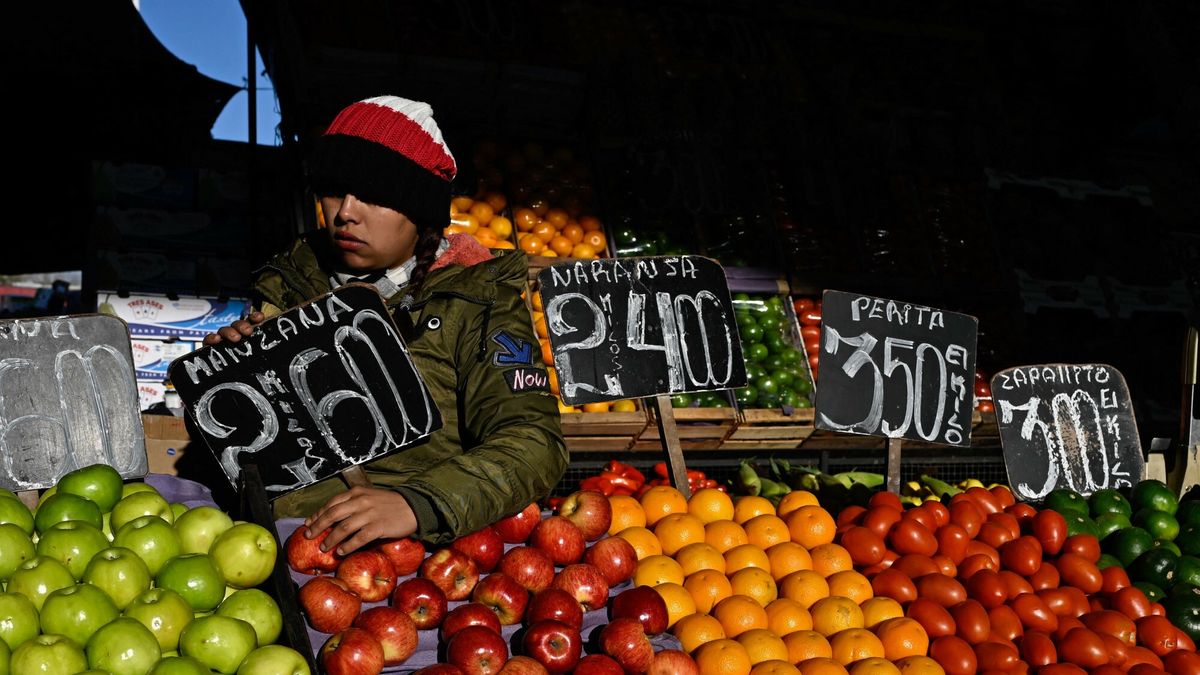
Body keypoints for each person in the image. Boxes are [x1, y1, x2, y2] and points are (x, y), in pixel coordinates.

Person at [203, 95, 566, 555]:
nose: (346, 212)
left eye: (375, 195)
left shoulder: (479, 301)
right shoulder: (291, 280)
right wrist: (230, 376)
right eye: (334, 190)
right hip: (271, 549)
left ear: (422, 213)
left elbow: (533, 443)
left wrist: (417, 504)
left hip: (415, 556)